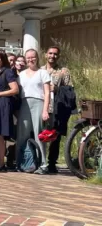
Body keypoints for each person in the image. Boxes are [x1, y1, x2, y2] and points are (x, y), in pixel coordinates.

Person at [17, 49, 51, 174]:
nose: (31, 59)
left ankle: (43, 164)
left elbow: (47, 92)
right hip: (24, 104)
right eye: (28, 57)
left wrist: (45, 110)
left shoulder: (43, 73)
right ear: (25, 59)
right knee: (22, 134)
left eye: (33, 57)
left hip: (38, 103)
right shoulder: (21, 75)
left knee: (39, 134)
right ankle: (21, 161)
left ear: (37, 58)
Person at [41, 46, 72, 174]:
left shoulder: (63, 71)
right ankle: (39, 160)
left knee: (54, 135)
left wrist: (58, 89)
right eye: (50, 53)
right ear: (46, 55)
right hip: (41, 105)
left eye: (55, 54)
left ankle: (52, 162)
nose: (52, 56)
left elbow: (70, 90)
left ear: (58, 56)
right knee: (40, 133)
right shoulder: (40, 70)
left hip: (56, 107)